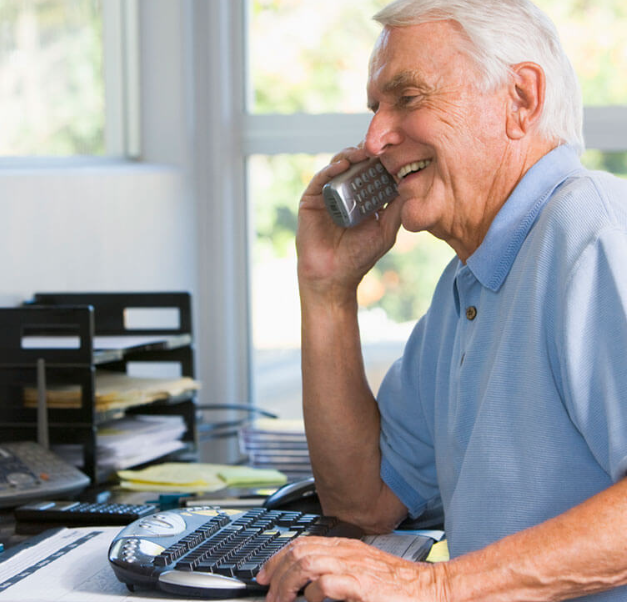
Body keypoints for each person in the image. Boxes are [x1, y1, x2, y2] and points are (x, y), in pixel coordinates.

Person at [254, 1, 627, 601]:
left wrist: (439, 586)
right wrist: (327, 293)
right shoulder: (468, 283)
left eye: (408, 97)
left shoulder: (594, 234)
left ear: (521, 99)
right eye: (375, 107)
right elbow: (364, 501)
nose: (375, 137)